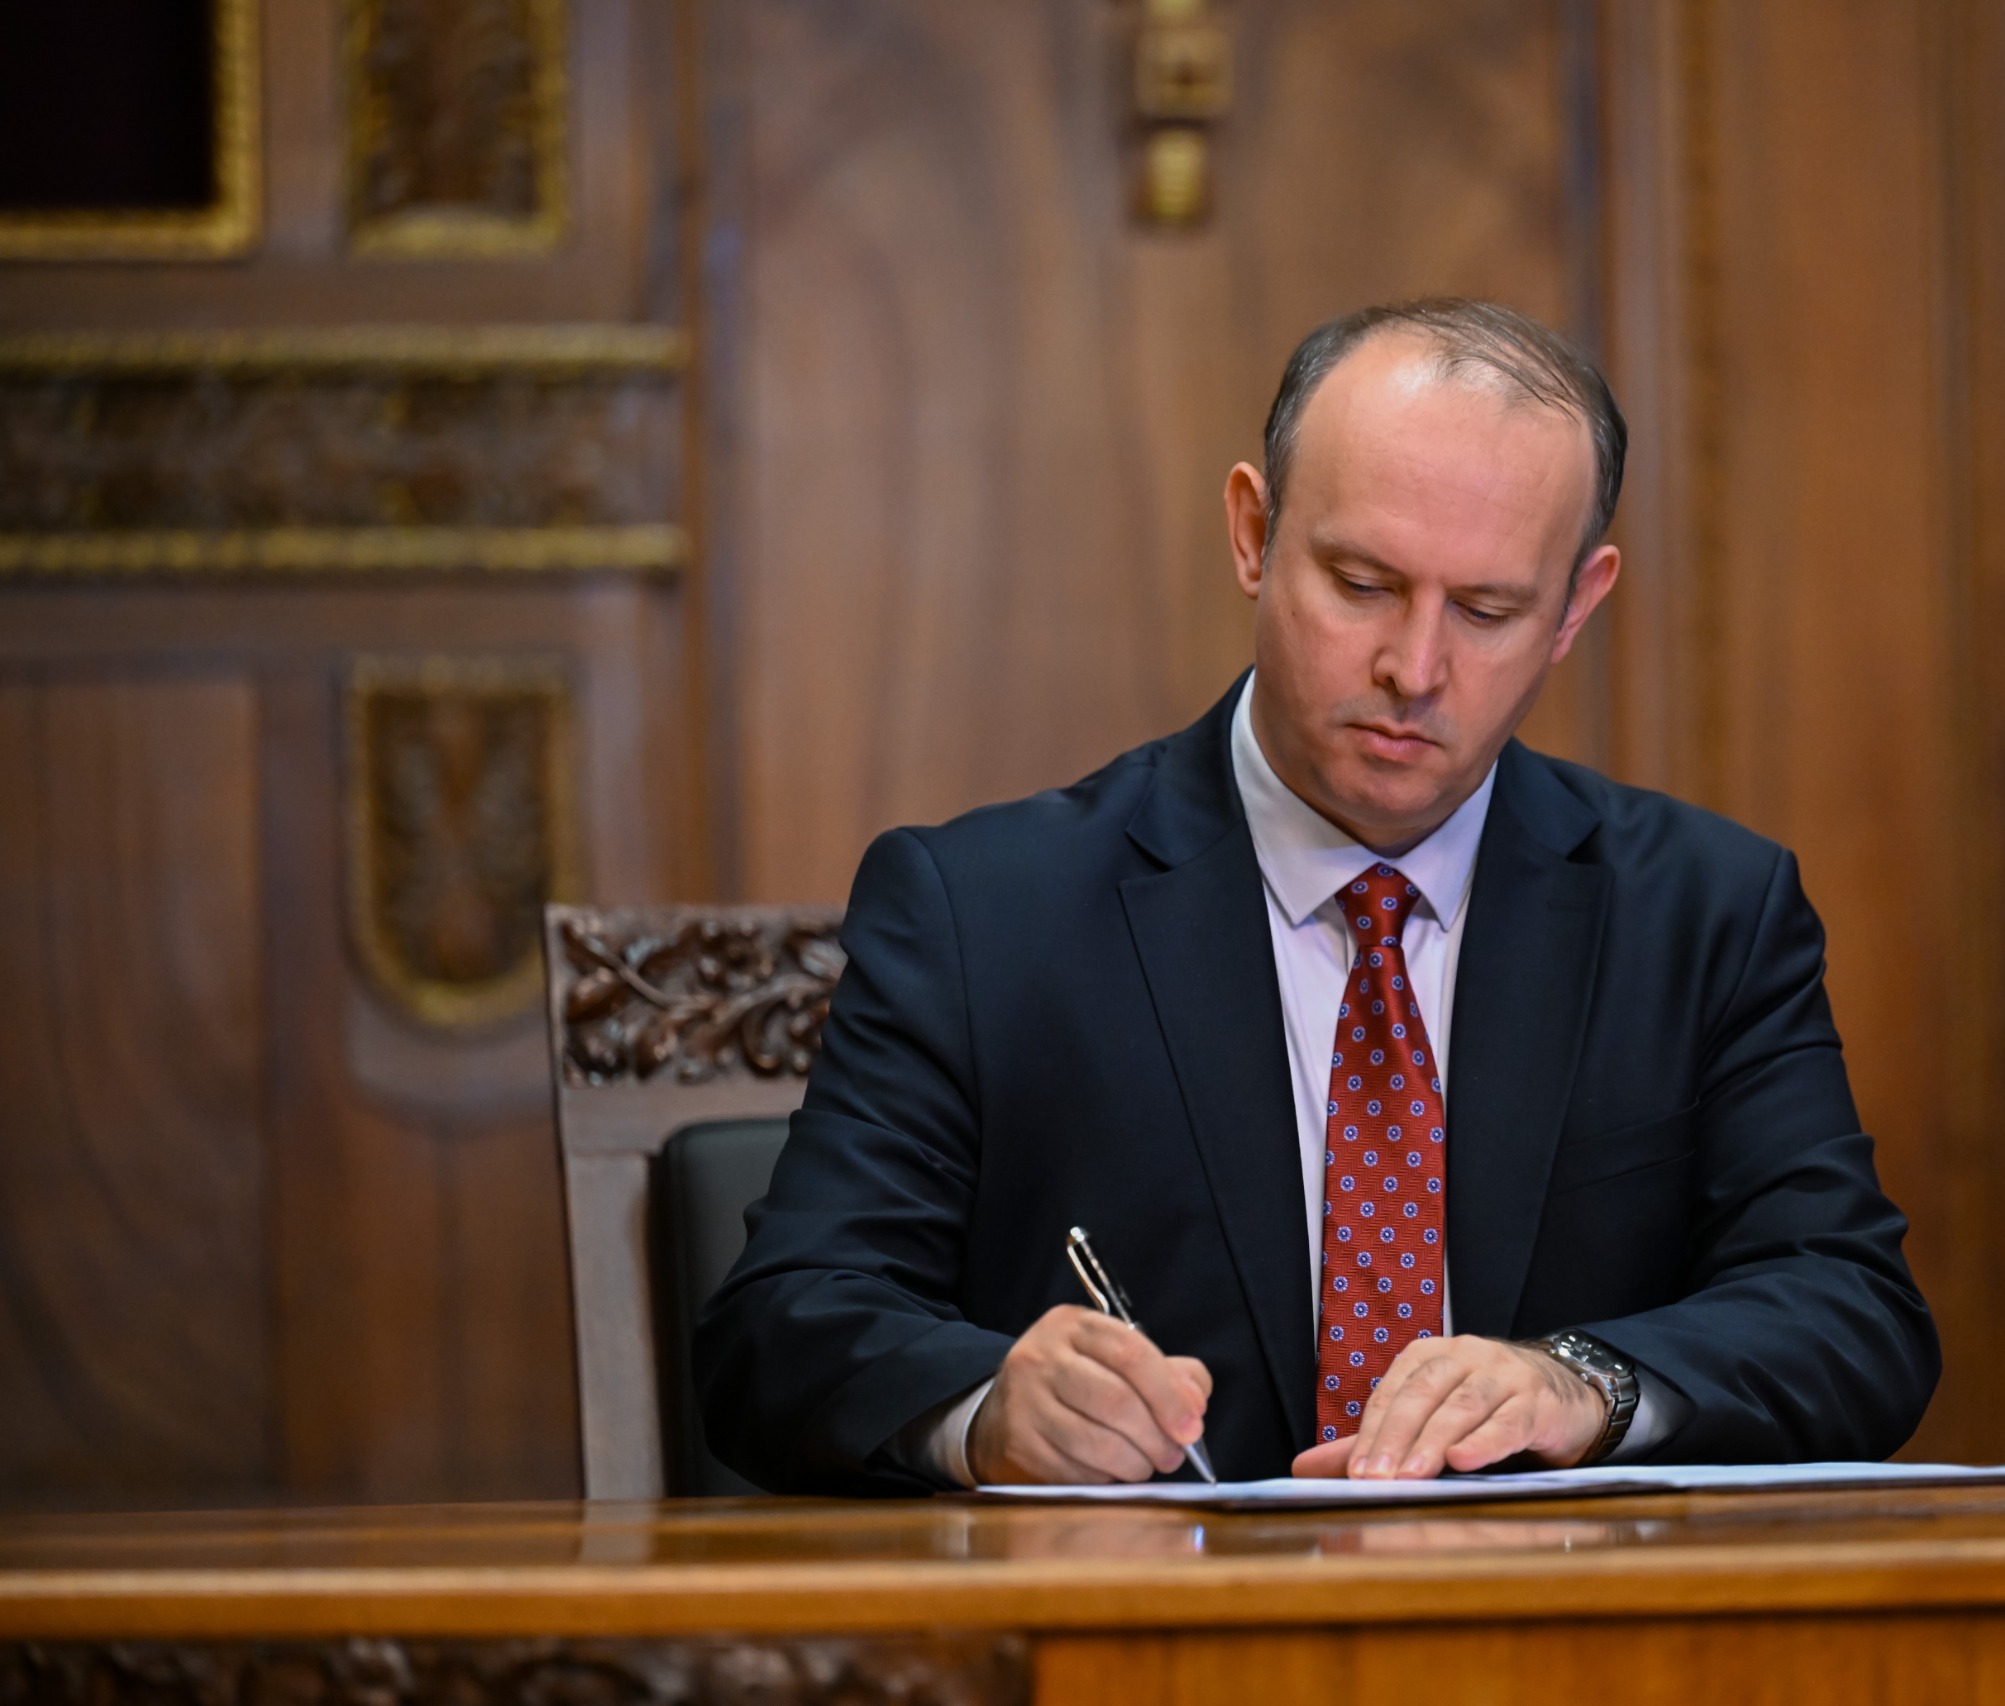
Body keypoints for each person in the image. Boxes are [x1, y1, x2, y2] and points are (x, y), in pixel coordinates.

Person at [697, 299, 1938, 1492]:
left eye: (1489, 609)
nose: (1414, 667)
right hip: (1151, 1619)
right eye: (1361, 584)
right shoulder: (983, 913)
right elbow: (782, 1325)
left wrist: (1586, 1384)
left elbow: (1852, 1311)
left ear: (1576, 605)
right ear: (1253, 531)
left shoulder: (1706, 914)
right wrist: (983, 1412)